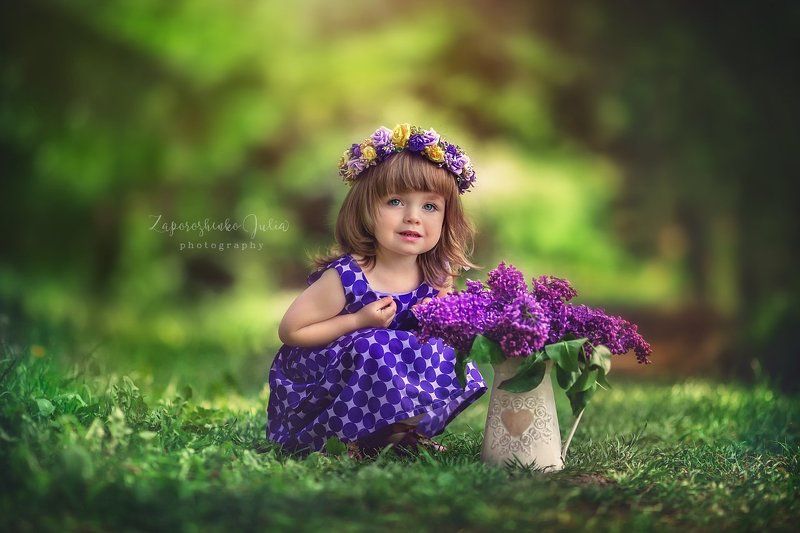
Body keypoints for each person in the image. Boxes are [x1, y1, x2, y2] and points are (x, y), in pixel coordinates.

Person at [266, 123, 487, 457]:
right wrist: (356, 321)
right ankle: (349, 439)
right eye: (396, 202)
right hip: (324, 387)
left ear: (446, 219)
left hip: (379, 381)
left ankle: (400, 433)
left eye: (430, 207)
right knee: (375, 345)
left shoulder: (435, 276)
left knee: (438, 346)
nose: (413, 217)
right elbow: (291, 331)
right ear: (365, 209)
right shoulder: (349, 275)